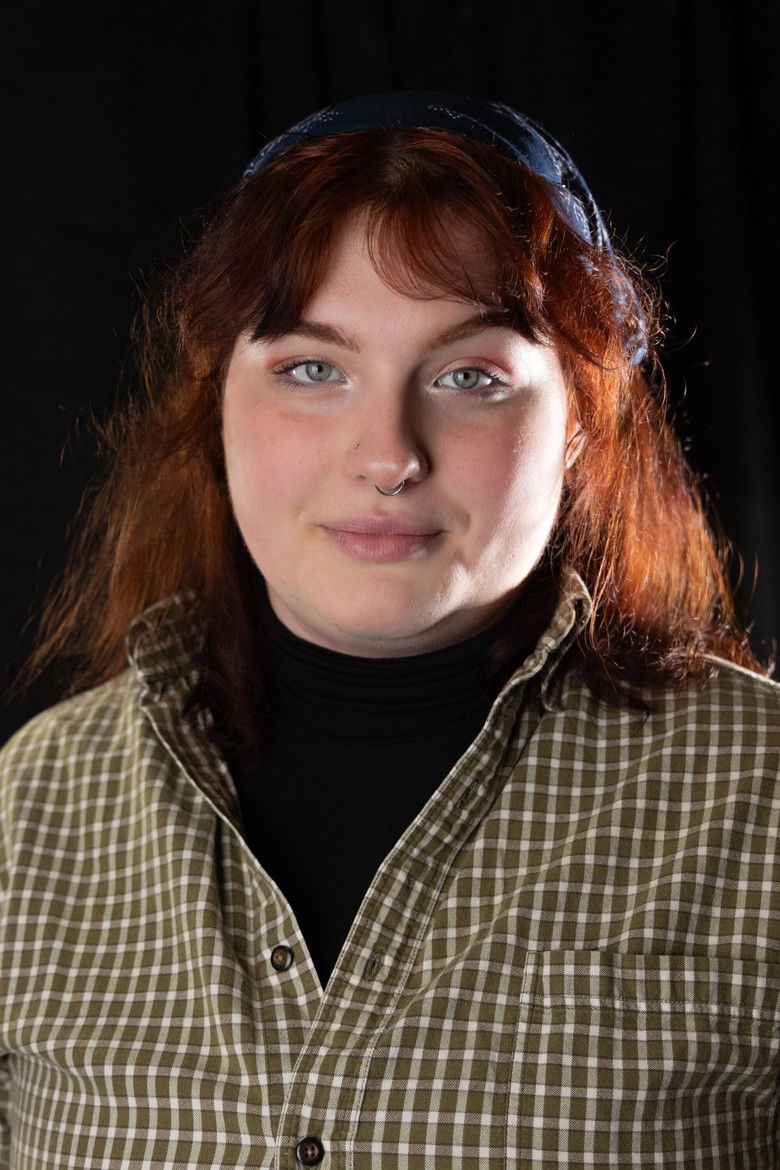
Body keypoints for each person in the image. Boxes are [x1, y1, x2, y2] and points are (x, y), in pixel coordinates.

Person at [1, 91, 778, 1168]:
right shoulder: (30, 811)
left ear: (582, 422)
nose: (387, 455)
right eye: (311, 369)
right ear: (216, 401)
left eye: (470, 377)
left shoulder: (760, 802)